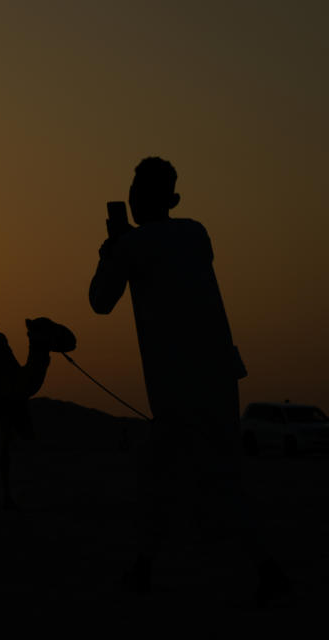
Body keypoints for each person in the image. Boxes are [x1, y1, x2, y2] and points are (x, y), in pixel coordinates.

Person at [88, 157, 289, 605]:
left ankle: (261, 569)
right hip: (217, 377)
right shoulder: (196, 233)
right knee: (198, 477)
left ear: (146, 198)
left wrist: (110, 251)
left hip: (178, 389)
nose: (134, 196)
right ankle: (151, 565)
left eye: (138, 189)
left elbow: (99, 302)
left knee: (180, 479)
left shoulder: (133, 245)